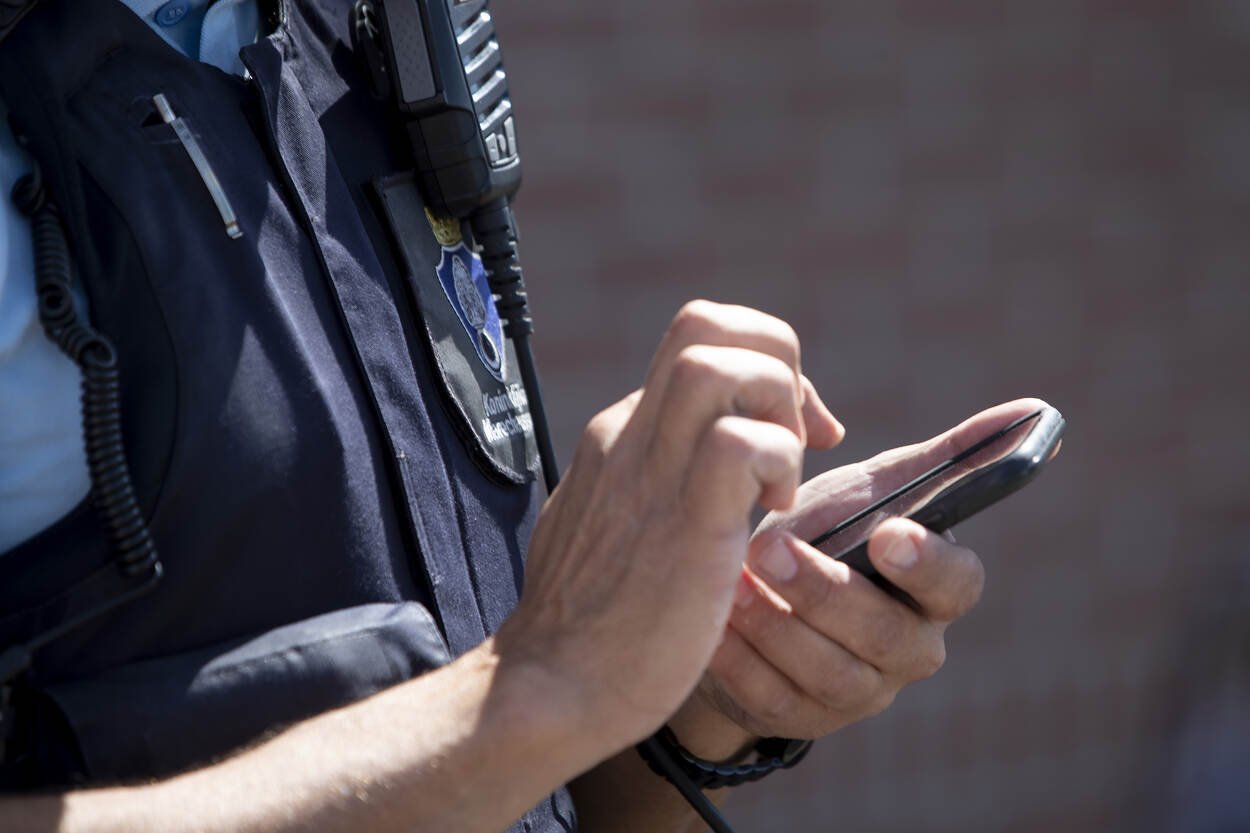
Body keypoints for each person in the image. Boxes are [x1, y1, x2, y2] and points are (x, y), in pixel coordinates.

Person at [0, 1, 1033, 830]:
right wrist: (536, 688)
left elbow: (522, 784)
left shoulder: (363, 42)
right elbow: (505, 711)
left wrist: (689, 695)